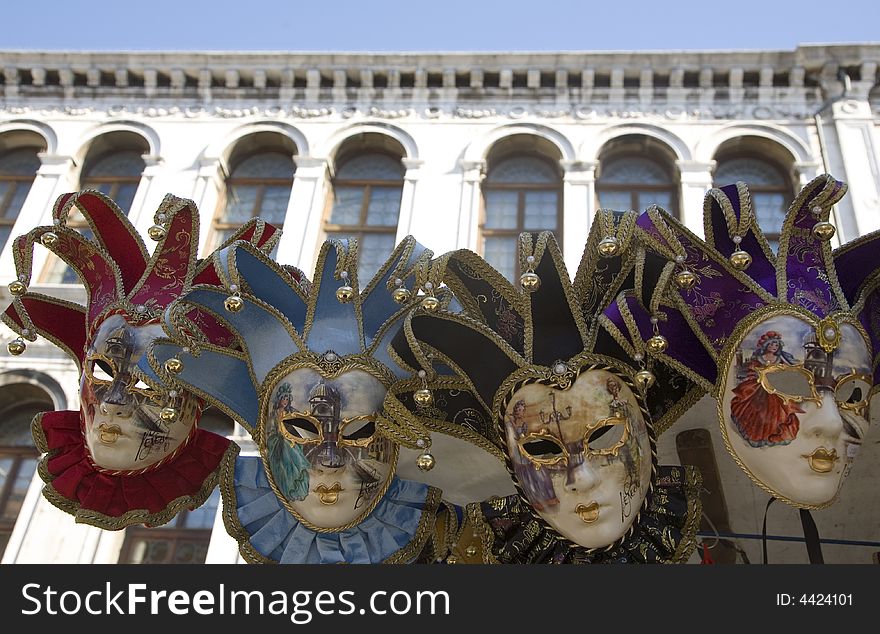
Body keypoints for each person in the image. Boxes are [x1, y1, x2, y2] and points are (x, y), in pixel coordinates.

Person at [729, 331, 803, 447]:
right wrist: (759, 379)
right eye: (772, 344)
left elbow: (787, 372)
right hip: (759, 391)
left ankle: (773, 436)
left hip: (776, 391)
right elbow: (752, 372)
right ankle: (757, 436)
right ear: (766, 345)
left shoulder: (780, 359)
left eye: (776, 345)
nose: (774, 347)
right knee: (758, 414)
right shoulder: (758, 358)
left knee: (778, 415)